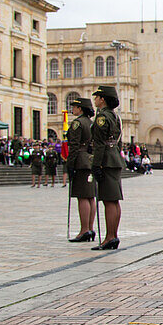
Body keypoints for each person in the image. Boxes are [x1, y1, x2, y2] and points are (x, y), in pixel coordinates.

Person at [90, 85, 124, 250]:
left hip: (106, 161)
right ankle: (113, 235)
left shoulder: (102, 117)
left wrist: (96, 164)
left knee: (109, 201)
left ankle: (110, 236)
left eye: (96, 97)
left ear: (102, 99)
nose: (95, 99)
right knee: (114, 201)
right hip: (115, 158)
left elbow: (99, 144)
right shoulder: (115, 117)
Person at [65, 98, 97, 243]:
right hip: (90, 159)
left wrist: (70, 164)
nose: (73, 109)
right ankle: (89, 228)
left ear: (80, 109)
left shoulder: (78, 123)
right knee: (90, 196)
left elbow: (74, 145)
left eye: (75, 107)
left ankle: (84, 230)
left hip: (81, 160)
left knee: (82, 196)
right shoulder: (91, 123)